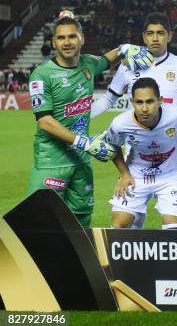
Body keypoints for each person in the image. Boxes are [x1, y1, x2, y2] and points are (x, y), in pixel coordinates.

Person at [27, 16, 152, 227]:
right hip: (52, 161)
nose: (67, 42)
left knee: (81, 220)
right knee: (41, 221)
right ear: (53, 43)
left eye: (72, 36)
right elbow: (45, 122)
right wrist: (84, 142)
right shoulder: (41, 75)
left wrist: (124, 48)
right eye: (61, 38)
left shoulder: (88, 64)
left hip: (82, 161)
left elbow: (106, 59)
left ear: (82, 39)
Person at [91, 12, 177, 228]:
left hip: (174, 153)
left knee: (174, 220)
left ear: (170, 36)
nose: (155, 38)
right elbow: (108, 100)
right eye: (150, 33)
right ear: (143, 37)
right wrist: (79, 118)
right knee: (130, 221)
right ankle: (134, 259)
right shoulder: (128, 65)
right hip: (137, 153)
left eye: (160, 33)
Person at [106, 78, 177, 229]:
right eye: (139, 102)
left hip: (171, 175)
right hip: (136, 175)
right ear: (132, 102)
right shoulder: (120, 123)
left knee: (173, 229)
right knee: (118, 228)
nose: (145, 108)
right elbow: (112, 146)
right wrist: (124, 173)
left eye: (150, 101)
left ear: (160, 101)